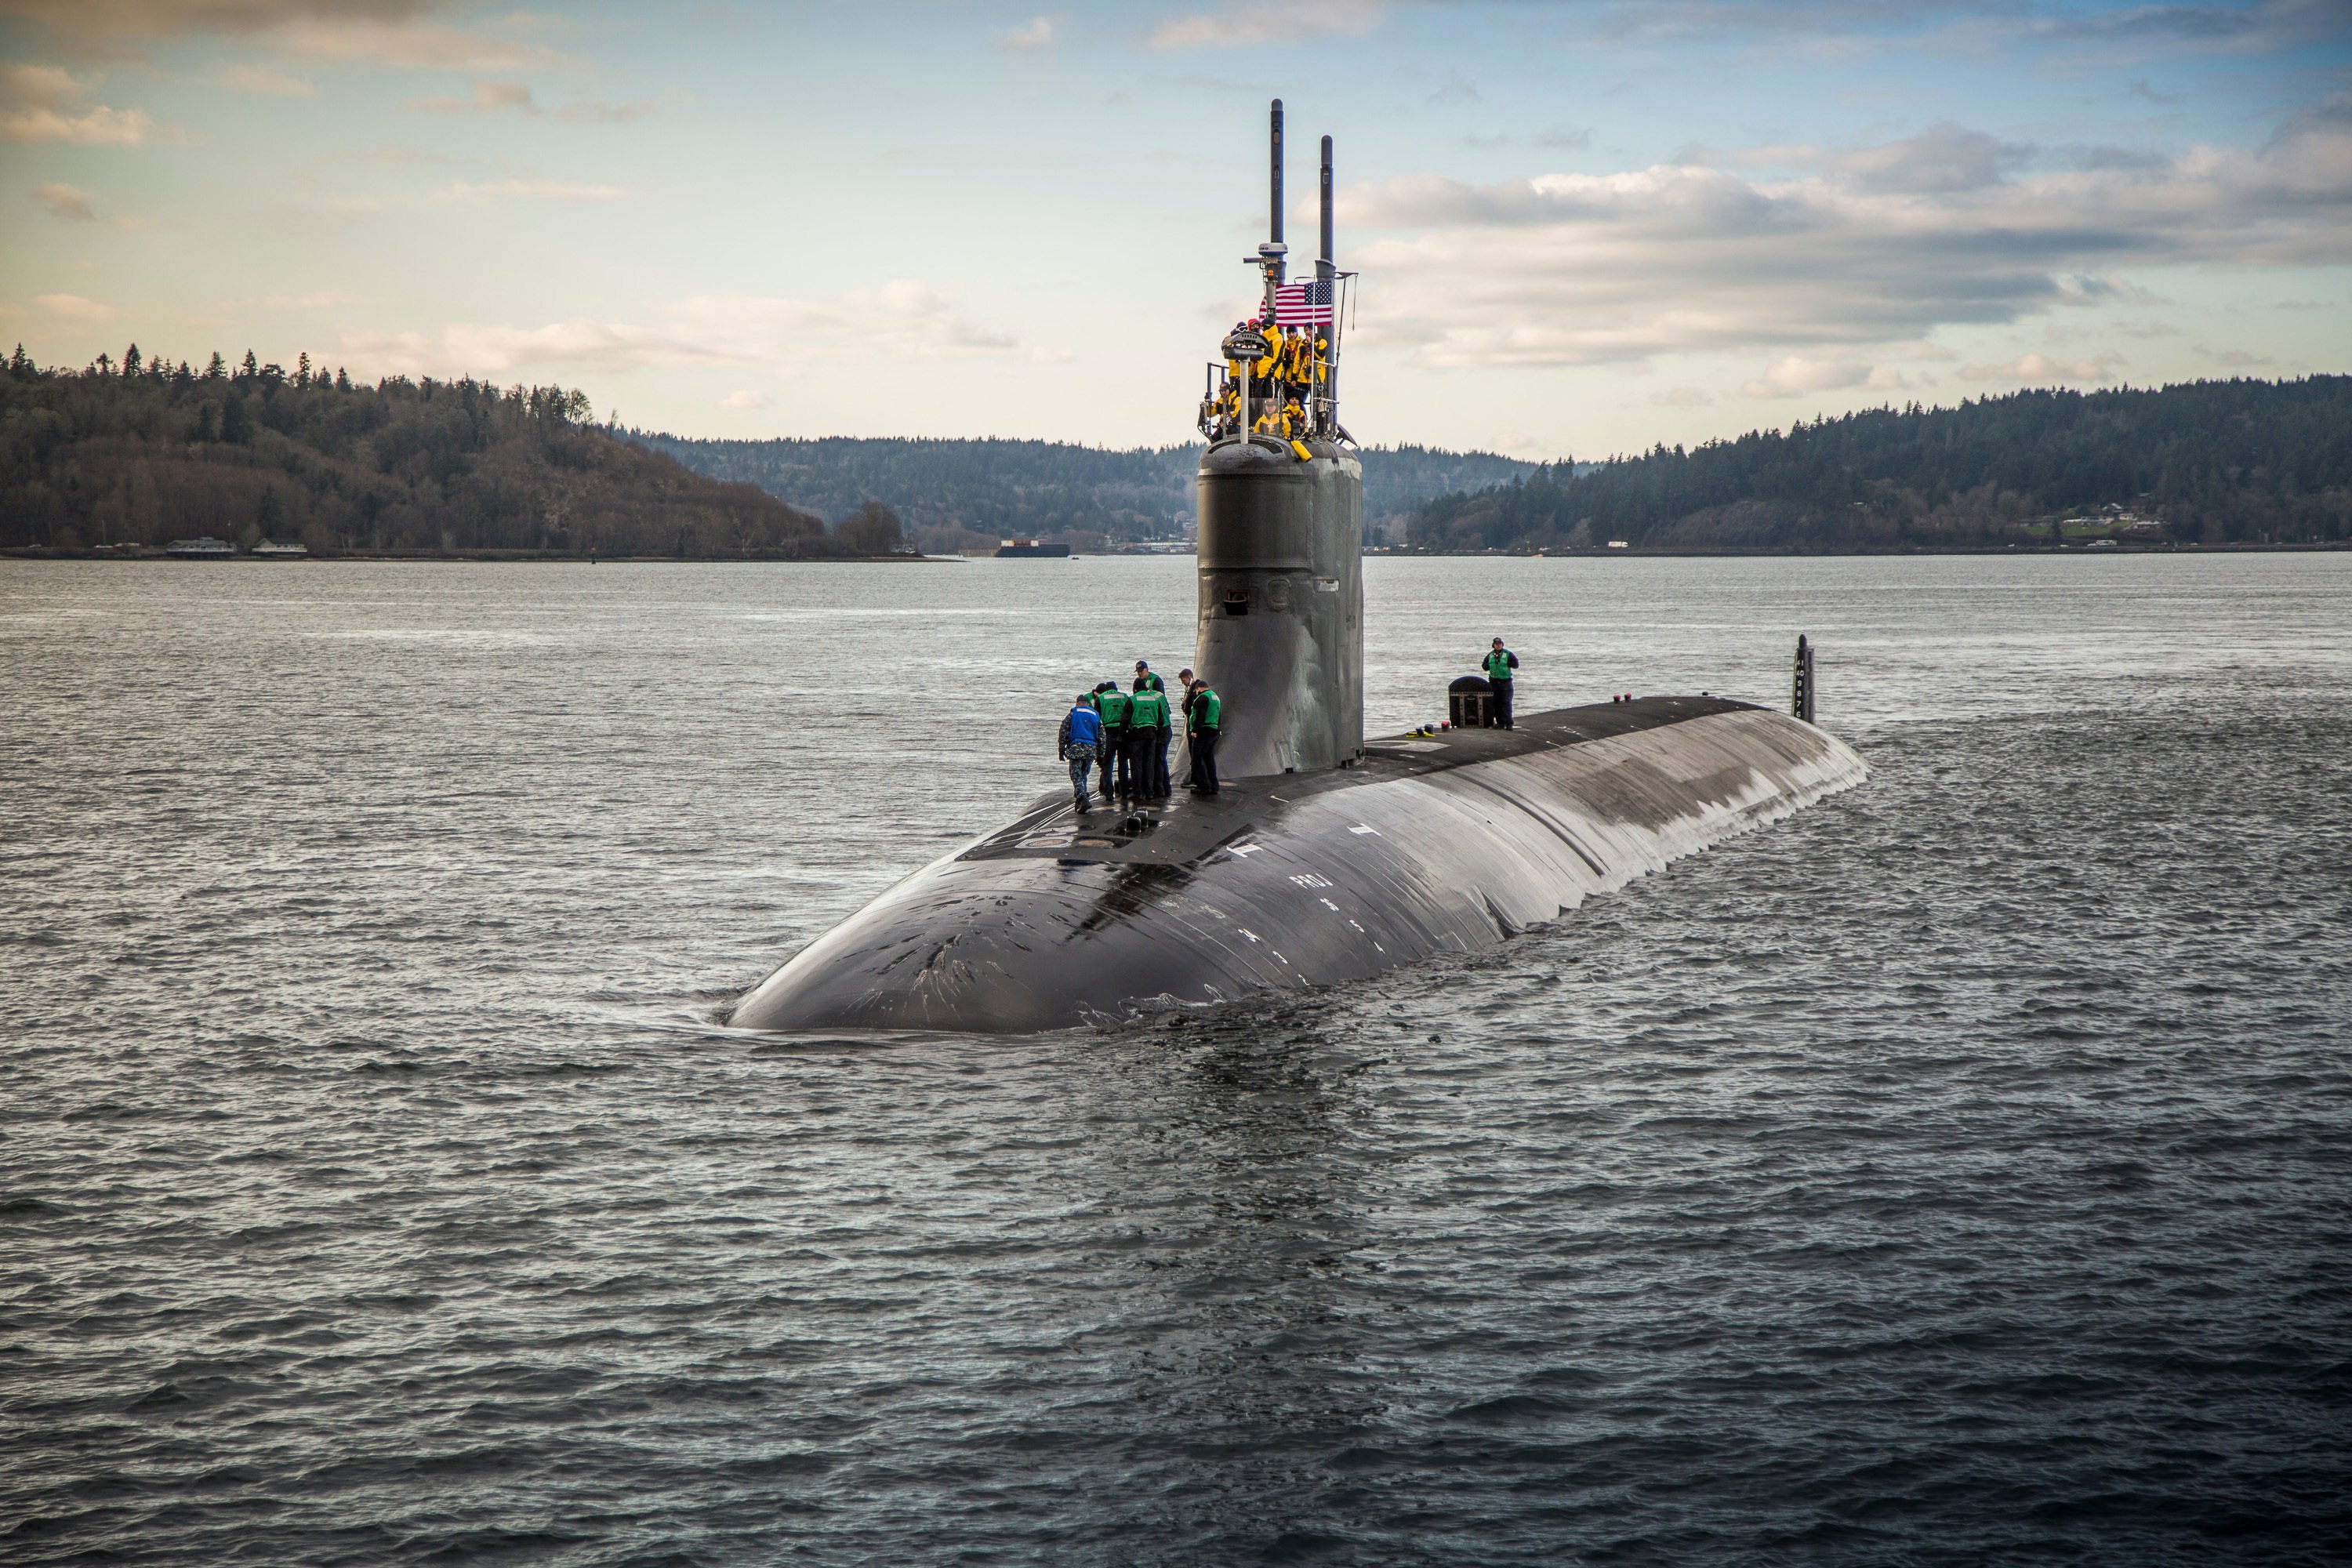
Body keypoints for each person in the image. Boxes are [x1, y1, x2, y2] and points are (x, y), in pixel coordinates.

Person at [1058, 692, 1103, 812]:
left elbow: (1064, 730)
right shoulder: (1096, 715)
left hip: (1077, 747)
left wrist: (1061, 748)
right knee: (1084, 774)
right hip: (1091, 748)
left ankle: (1082, 797)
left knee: (1076, 774)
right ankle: (1081, 798)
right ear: (1087, 704)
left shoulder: (1073, 714)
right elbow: (1102, 735)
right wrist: (1101, 753)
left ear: (1077, 703)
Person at [1129, 678, 1173, 798]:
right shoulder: (1160, 696)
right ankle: (1160, 790)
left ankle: (1149, 790)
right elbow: (1165, 715)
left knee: (1153, 762)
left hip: (1154, 731)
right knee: (1159, 760)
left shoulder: (1146, 697)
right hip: (1163, 730)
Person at [1093, 681, 1132, 800]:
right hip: (1123, 732)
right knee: (1123, 763)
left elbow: (1097, 718)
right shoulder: (1125, 696)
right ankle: (1124, 792)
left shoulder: (1101, 698)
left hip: (1108, 732)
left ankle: (1109, 793)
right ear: (1116, 689)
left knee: (1107, 764)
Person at [1187, 678, 1221, 796]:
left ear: (1199, 689)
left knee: (1197, 759)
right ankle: (1214, 786)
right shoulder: (1215, 697)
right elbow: (1218, 715)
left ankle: (1204, 786)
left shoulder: (1202, 698)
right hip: (1214, 731)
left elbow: (1200, 716)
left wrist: (1195, 730)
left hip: (1204, 731)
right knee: (1209, 759)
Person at [1483, 637, 1520, 729]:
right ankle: (1500, 723)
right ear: (1494, 645)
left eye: (1499, 644)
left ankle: (1509, 723)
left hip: (1505, 682)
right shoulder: (1491, 655)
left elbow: (1516, 665)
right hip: (1494, 682)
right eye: (1496, 644)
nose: (1498, 645)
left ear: (1502, 644)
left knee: (1506, 702)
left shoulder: (1508, 654)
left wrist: (1508, 663)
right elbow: (1484, 666)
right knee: (1496, 703)